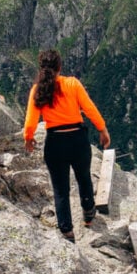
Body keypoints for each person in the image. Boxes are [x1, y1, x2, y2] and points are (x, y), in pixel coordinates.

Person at [24, 49, 111, 243]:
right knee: (83, 177)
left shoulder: (38, 90)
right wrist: (102, 129)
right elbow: (89, 108)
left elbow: (30, 122)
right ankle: (89, 212)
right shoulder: (72, 84)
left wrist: (28, 138)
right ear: (60, 67)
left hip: (55, 143)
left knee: (60, 188)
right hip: (78, 139)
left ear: (42, 68)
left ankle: (67, 231)